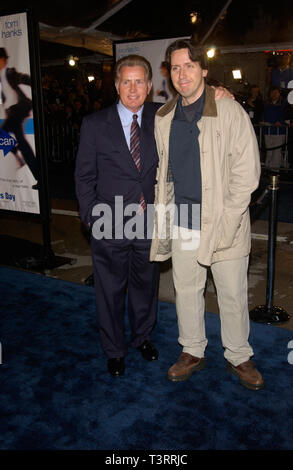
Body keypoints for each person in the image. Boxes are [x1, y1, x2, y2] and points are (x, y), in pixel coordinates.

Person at [75, 53, 231, 378]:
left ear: (149, 86)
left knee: (146, 286)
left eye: (139, 82)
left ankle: (142, 337)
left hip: (150, 222)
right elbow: (84, 176)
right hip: (109, 221)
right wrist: (90, 217)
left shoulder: (163, 117)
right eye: (126, 82)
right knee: (110, 291)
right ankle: (114, 350)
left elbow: (196, 102)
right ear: (117, 85)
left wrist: (219, 91)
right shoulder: (94, 125)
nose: (133, 89)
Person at [150, 39, 264, 391]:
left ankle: (238, 355)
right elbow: (165, 172)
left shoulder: (228, 111)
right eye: (175, 68)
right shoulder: (163, 117)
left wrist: (228, 221)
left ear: (203, 69)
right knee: (186, 289)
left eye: (189, 66)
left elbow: (247, 173)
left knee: (231, 293)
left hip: (223, 222)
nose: (182, 74)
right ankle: (193, 350)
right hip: (183, 220)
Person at [0, 47, 38, 188]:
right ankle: (21, 157)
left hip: (20, 108)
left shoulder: (10, 73)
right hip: (12, 111)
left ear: (3, 60)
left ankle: (19, 156)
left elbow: (23, 78)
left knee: (18, 141)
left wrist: (36, 82)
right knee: (21, 142)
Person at [262, 86, 286, 169]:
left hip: (279, 132)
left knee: (276, 152)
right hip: (268, 131)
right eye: (272, 93)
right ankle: (268, 168)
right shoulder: (266, 104)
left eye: (276, 93)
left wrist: (281, 122)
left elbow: (286, 117)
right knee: (269, 151)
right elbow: (263, 116)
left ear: (279, 94)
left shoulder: (284, 105)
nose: (274, 95)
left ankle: (275, 171)